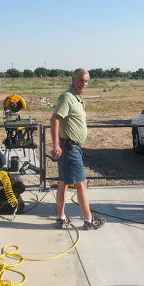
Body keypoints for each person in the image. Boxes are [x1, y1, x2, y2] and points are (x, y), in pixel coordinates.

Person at [50, 68, 106, 231]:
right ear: (73, 79)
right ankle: (88, 220)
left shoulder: (77, 98)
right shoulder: (67, 97)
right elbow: (55, 119)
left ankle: (61, 218)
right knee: (81, 184)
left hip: (72, 147)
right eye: (81, 80)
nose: (84, 84)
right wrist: (55, 144)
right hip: (69, 148)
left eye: (86, 81)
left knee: (63, 183)